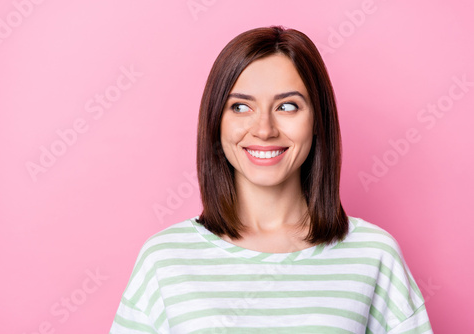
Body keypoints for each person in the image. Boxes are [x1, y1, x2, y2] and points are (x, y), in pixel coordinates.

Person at [110, 25, 433, 333]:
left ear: (318, 120)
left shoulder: (373, 253)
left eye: (288, 106)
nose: (264, 129)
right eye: (240, 107)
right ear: (215, 122)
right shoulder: (165, 258)